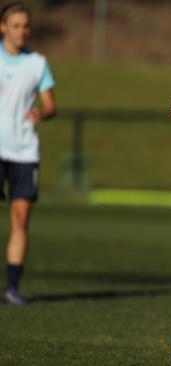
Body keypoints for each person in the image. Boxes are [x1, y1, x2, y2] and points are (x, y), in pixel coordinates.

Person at [0, 2, 57, 305]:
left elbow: (51, 105)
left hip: (24, 151)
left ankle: (12, 288)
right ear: (3, 27)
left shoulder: (36, 63)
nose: (22, 30)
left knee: (20, 221)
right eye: (16, 25)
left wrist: (42, 113)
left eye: (26, 26)